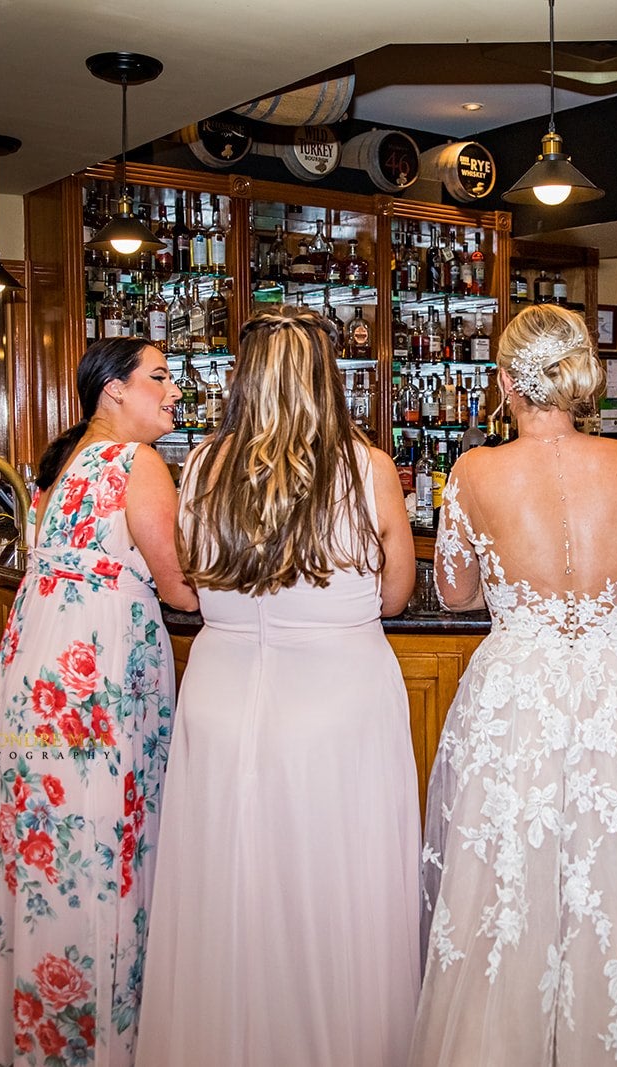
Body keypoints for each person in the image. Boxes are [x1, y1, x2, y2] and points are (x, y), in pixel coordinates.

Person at [137, 309, 419, 1064]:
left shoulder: (199, 465)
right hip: (337, 699)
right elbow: (394, 596)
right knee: (335, 888)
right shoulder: (368, 468)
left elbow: (191, 578)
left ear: (243, 379)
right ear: (328, 379)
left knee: (227, 885)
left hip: (225, 692)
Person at [411, 303, 617, 1066]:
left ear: (508, 382)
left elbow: (457, 590)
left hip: (517, 691)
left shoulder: (475, 470)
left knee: (504, 886)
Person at [0, 337, 197, 1067]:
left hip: (34, 671)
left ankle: (41, 1033)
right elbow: (182, 589)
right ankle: (106, 1039)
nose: (174, 392)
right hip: (98, 674)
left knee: (44, 845)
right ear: (113, 389)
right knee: (106, 845)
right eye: (159, 378)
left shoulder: (58, 465)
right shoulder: (138, 464)